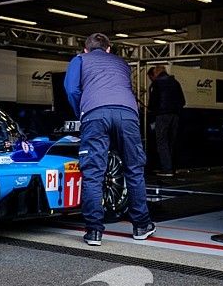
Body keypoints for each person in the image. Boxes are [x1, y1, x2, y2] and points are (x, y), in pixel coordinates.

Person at [64, 33, 155, 246]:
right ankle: (141, 226)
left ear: (86, 49)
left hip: (95, 113)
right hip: (128, 113)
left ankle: (94, 231)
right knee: (134, 168)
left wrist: (82, 111)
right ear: (108, 49)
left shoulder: (80, 59)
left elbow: (71, 89)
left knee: (93, 172)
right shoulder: (122, 63)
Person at [147, 65, 186, 177]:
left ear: (155, 73)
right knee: (172, 141)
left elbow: (152, 103)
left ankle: (166, 169)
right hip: (175, 114)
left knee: (162, 142)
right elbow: (183, 101)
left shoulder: (157, 84)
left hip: (162, 114)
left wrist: (152, 111)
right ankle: (173, 168)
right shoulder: (175, 82)